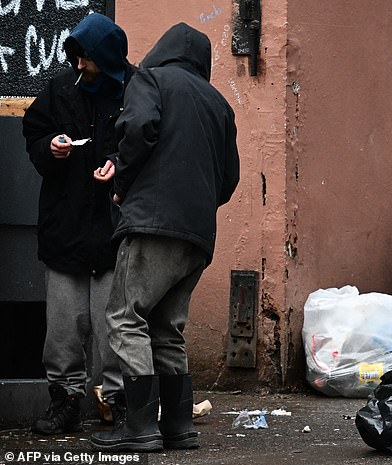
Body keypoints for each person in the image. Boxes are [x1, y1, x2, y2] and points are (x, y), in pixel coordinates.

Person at [89, 23, 240, 452]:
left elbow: (138, 128)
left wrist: (122, 176)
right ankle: (177, 427)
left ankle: (137, 427)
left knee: (125, 315)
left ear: (162, 49)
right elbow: (229, 180)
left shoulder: (150, 80)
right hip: (197, 235)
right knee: (167, 329)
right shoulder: (219, 104)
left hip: (153, 222)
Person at [22, 13, 135, 435]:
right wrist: (50, 148)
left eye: (86, 58)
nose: (79, 65)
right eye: (76, 56)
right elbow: (33, 133)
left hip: (113, 229)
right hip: (65, 227)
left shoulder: (134, 91)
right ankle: (65, 400)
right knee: (63, 329)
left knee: (114, 328)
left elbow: (147, 143)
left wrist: (119, 167)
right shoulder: (58, 90)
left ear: (105, 58)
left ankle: (118, 401)